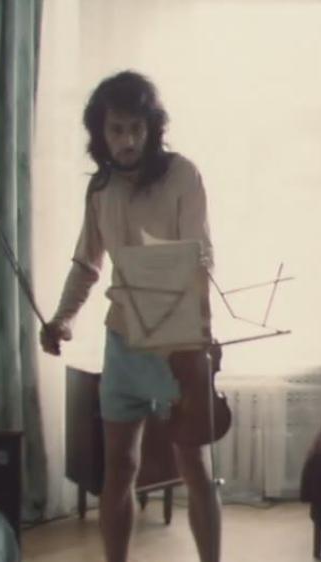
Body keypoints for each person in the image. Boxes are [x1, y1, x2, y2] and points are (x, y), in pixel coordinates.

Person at [40, 70, 221, 562]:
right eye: (116, 129)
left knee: (195, 467)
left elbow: (200, 257)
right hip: (122, 341)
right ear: (100, 131)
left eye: (137, 128)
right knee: (118, 467)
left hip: (178, 343)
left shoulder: (183, 174)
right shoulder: (100, 188)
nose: (128, 141)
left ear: (152, 127)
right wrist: (63, 318)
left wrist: (200, 340)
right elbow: (87, 263)